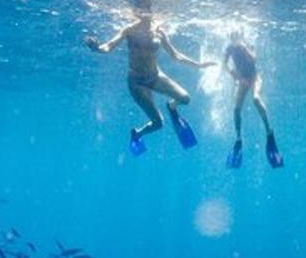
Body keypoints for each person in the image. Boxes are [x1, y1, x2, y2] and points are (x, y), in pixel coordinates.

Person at [86, 12, 215, 155]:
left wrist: (199, 65)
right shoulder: (128, 29)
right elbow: (110, 46)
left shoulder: (159, 31)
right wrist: (98, 49)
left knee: (185, 98)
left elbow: (176, 55)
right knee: (158, 123)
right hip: (137, 82)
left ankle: (171, 106)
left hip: (155, 76)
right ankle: (137, 133)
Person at [222, 30, 282, 169]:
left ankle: (269, 131)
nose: (234, 40)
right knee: (236, 109)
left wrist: (244, 48)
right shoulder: (229, 48)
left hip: (255, 78)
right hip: (242, 80)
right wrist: (234, 75)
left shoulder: (248, 44)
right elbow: (224, 65)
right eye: (232, 37)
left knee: (255, 98)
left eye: (236, 37)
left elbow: (254, 59)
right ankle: (238, 138)